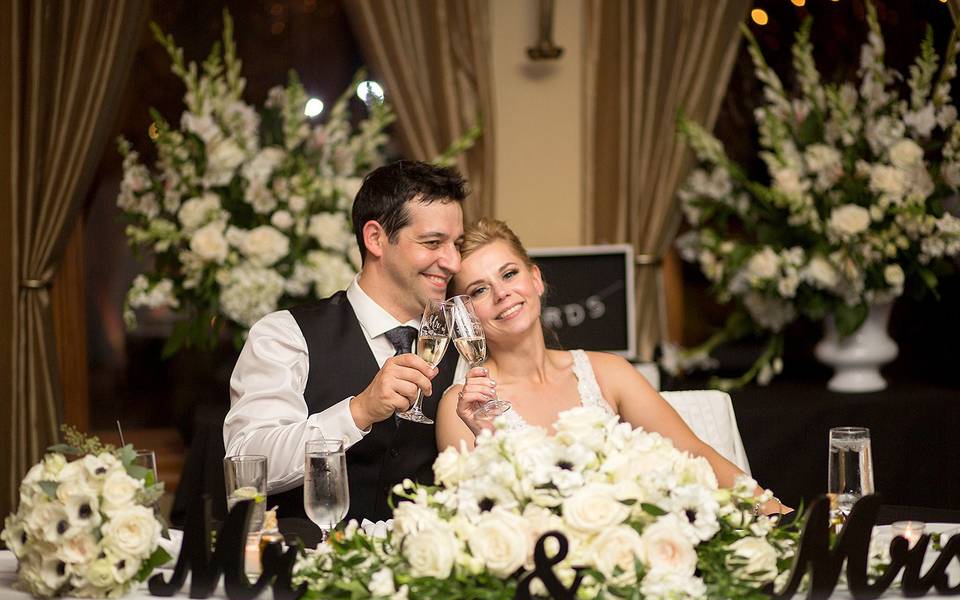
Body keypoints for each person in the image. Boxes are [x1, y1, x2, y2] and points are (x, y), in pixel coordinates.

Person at [436, 218, 786, 515]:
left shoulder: (608, 372)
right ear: (465, 316)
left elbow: (693, 453)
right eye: (480, 290)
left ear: (536, 279)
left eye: (509, 274)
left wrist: (774, 512)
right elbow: (472, 517)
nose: (502, 294)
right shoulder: (463, 406)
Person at [224, 160, 466, 523]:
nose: (453, 262)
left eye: (456, 244)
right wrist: (358, 411)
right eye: (433, 243)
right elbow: (246, 465)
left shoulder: (460, 344)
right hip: (305, 568)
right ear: (375, 238)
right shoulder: (284, 335)